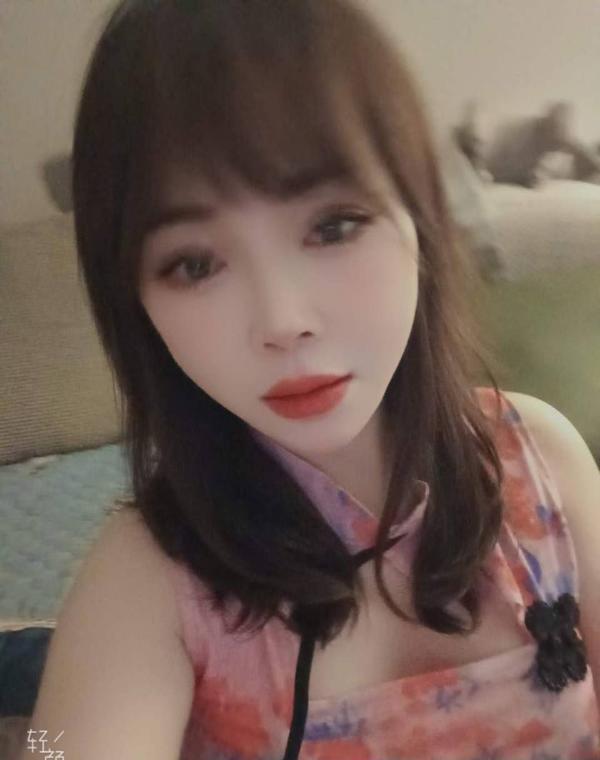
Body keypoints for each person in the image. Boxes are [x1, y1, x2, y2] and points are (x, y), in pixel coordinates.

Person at [22, 1, 600, 758]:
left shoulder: (538, 460)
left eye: (333, 227)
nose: (282, 320)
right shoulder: (148, 578)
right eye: (194, 264)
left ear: (419, 217)